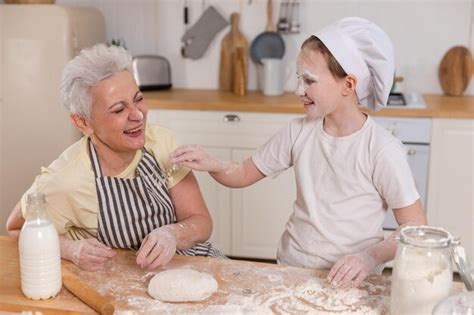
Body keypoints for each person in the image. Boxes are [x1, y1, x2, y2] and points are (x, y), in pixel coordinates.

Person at [170, 17, 427, 288]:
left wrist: (367, 258)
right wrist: (214, 164)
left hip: (355, 279)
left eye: (309, 80)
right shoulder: (299, 132)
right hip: (293, 268)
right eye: (298, 79)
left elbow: (413, 228)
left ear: (348, 85)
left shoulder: (381, 149)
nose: (298, 90)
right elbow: (244, 173)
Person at [6, 43, 222, 271]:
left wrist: (173, 234)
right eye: (119, 110)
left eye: (138, 99)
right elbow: (15, 230)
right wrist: (71, 249)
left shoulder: (161, 143)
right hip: (127, 279)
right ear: (83, 122)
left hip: (191, 262)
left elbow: (201, 221)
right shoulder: (65, 180)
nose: (138, 115)